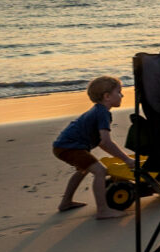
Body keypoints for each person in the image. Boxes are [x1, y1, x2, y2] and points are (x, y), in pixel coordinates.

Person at [52, 76, 136, 219]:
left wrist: (122, 157)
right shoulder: (102, 113)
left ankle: (65, 203)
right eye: (119, 92)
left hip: (63, 146)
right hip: (70, 147)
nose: (122, 95)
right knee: (100, 171)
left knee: (82, 170)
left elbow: (101, 142)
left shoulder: (98, 110)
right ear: (107, 96)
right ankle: (103, 210)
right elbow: (105, 142)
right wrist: (126, 159)